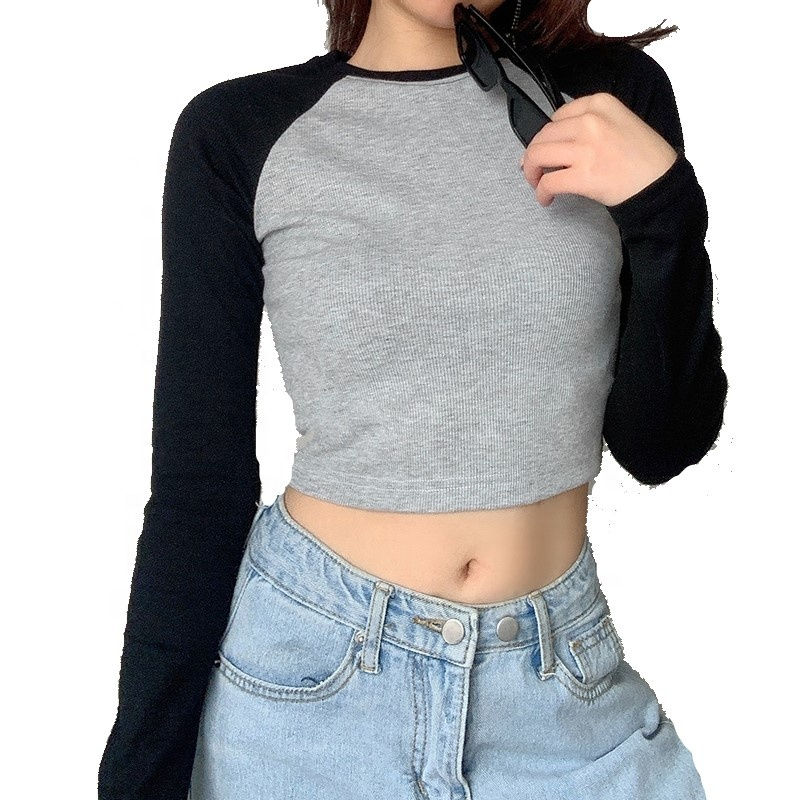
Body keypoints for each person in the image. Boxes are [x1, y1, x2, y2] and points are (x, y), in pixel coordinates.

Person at [98, 1, 727, 798]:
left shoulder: (610, 101)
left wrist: (664, 209)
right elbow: (199, 491)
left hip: (563, 703)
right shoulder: (238, 131)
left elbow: (661, 445)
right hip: (307, 691)